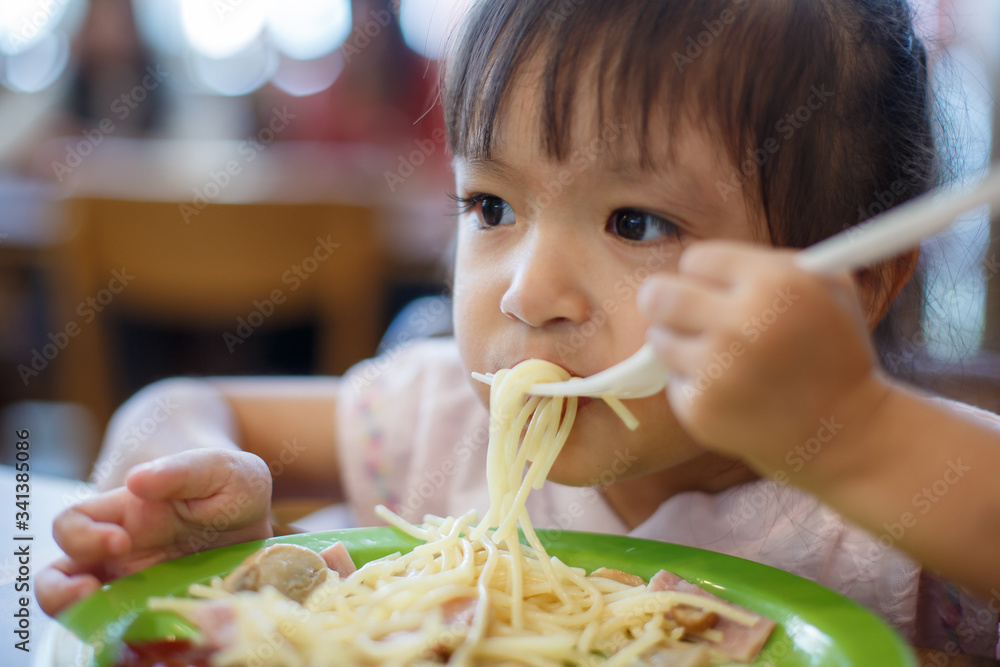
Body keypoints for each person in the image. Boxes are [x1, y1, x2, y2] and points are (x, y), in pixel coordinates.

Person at [37, 0, 1000, 656]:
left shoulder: (895, 503)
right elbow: (183, 407)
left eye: (637, 222)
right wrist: (198, 492)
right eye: (491, 206)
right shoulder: (441, 420)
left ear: (855, 284)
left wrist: (862, 435)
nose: (527, 293)